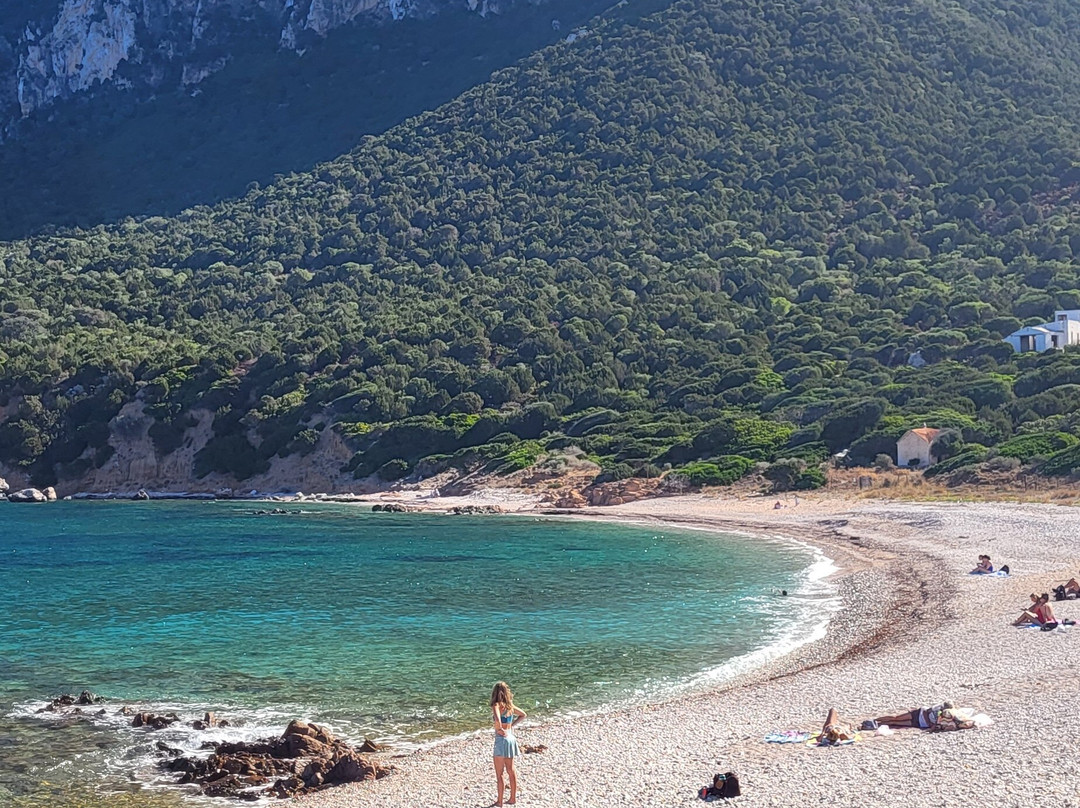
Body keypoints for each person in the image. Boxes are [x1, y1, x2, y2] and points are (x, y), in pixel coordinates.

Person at [491, 681, 526, 806]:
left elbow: (497, 721)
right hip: (511, 738)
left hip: (502, 740)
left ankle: (500, 802)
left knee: (499, 774)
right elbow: (523, 715)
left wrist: (500, 729)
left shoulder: (496, 705)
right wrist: (511, 727)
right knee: (511, 770)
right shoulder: (510, 706)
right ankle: (512, 798)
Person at [872, 701, 953, 729]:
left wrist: (932, 726)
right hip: (918, 714)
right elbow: (926, 712)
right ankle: (876, 720)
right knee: (896, 718)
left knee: (895, 723)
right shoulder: (937, 708)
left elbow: (936, 724)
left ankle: (877, 724)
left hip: (919, 724)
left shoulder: (945, 718)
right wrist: (929, 723)